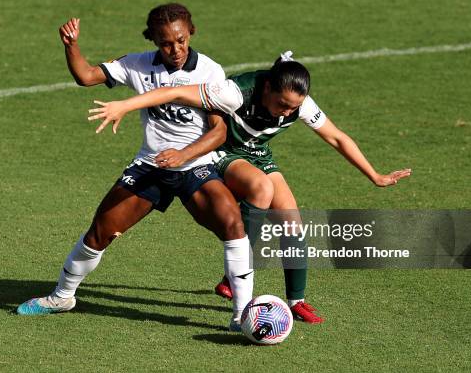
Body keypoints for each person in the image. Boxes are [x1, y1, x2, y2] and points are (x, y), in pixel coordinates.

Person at [88, 52, 412, 323]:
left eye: (292, 108)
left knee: (292, 220)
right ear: (267, 87)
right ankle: (234, 278)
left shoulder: (298, 103)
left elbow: (337, 137)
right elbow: (173, 93)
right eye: (282, 104)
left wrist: (376, 176)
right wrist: (125, 106)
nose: (287, 113)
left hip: (257, 154)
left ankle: (296, 300)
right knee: (261, 188)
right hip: (218, 151)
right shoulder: (233, 92)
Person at [17, 3, 253, 331]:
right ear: (154, 40)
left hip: (194, 166)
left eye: (181, 40)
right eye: (166, 43)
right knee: (101, 231)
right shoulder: (138, 65)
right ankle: (63, 297)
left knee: (232, 222)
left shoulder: (210, 72)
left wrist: (184, 155)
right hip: (150, 166)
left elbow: (218, 131)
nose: (176, 49)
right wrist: (71, 46)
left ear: (191, 33)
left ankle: (242, 315)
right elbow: (86, 76)